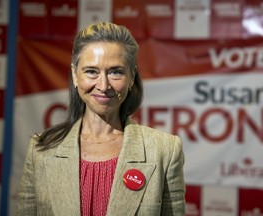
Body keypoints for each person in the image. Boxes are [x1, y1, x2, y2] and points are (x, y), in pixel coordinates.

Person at [17, 21, 186, 216]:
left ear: (131, 77)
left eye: (116, 72)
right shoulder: (41, 149)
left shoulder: (165, 150)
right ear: (74, 75)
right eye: (91, 71)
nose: (103, 85)